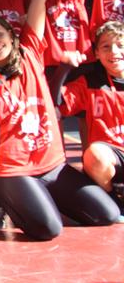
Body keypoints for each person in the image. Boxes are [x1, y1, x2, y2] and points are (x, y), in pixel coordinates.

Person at [0, 0, 119, 240]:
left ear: (12, 36)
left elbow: (38, 0)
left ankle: (43, 198)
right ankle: (7, 198)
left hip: (52, 165)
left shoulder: (31, 51)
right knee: (47, 230)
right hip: (15, 171)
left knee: (107, 215)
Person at [53, 21, 124, 218]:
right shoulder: (89, 82)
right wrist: (63, 69)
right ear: (97, 54)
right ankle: (114, 200)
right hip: (111, 157)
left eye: (120, 45)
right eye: (106, 47)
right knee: (94, 154)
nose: (114, 52)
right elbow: (56, 104)